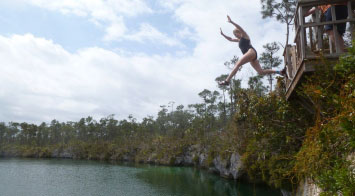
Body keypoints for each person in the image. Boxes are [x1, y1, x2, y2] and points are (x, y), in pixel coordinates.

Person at [218, 15, 285, 86]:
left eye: (236, 34)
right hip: (252, 57)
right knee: (260, 72)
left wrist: (231, 22)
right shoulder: (238, 40)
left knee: (237, 64)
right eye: (234, 34)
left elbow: (240, 28)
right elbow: (230, 39)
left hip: (251, 52)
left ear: (239, 32)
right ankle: (279, 72)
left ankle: (227, 81)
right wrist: (223, 34)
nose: (235, 35)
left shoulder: (245, 35)